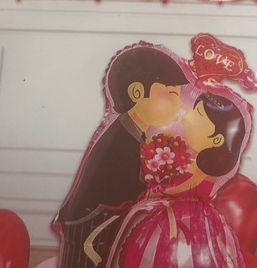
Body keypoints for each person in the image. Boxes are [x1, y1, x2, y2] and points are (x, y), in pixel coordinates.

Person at [54, 45, 189, 268]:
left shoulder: (131, 132)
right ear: (137, 93)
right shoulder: (121, 139)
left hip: (104, 223)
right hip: (91, 226)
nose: (180, 103)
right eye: (172, 94)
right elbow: (129, 186)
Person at [111, 92, 249, 268]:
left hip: (188, 218)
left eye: (198, 113)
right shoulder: (190, 161)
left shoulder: (203, 169)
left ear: (216, 139)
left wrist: (163, 191)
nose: (187, 115)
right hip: (176, 213)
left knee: (178, 251)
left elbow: (188, 186)